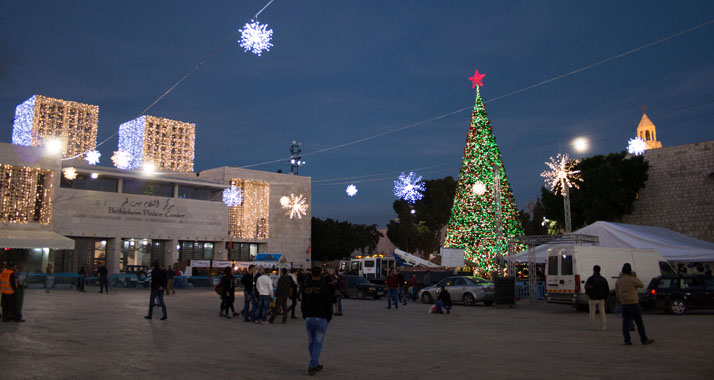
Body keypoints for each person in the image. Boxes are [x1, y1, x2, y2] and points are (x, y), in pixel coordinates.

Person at [301, 267, 332, 376]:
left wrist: (304, 314)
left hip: (309, 317)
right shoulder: (323, 287)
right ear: (320, 274)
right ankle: (313, 364)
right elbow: (328, 303)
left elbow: (303, 302)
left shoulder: (307, 287)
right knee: (318, 343)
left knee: (311, 342)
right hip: (321, 317)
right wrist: (329, 317)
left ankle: (315, 362)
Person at [615, 263, 653, 345]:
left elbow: (617, 294)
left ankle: (627, 340)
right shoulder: (632, 279)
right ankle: (643, 339)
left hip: (624, 303)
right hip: (633, 303)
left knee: (625, 323)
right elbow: (641, 285)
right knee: (639, 323)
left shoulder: (618, 281)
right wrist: (634, 277)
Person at [584, 265, 609, 331]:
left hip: (592, 298)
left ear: (593, 270)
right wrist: (605, 297)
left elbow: (586, 287)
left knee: (592, 312)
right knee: (602, 313)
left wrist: (589, 293)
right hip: (601, 299)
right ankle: (603, 327)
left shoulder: (591, 279)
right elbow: (607, 289)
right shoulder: (603, 279)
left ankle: (592, 326)